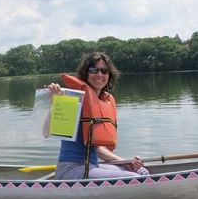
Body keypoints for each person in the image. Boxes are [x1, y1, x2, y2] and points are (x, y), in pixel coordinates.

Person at [44, 52, 149, 180]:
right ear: (86, 73)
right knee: (134, 177)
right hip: (70, 169)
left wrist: (126, 161)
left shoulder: (102, 103)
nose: (100, 74)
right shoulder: (74, 100)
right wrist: (55, 103)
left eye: (104, 71)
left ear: (109, 75)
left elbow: (99, 149)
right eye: (94, 70)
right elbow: (46, 132)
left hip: (92, 166)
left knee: (142, 171)